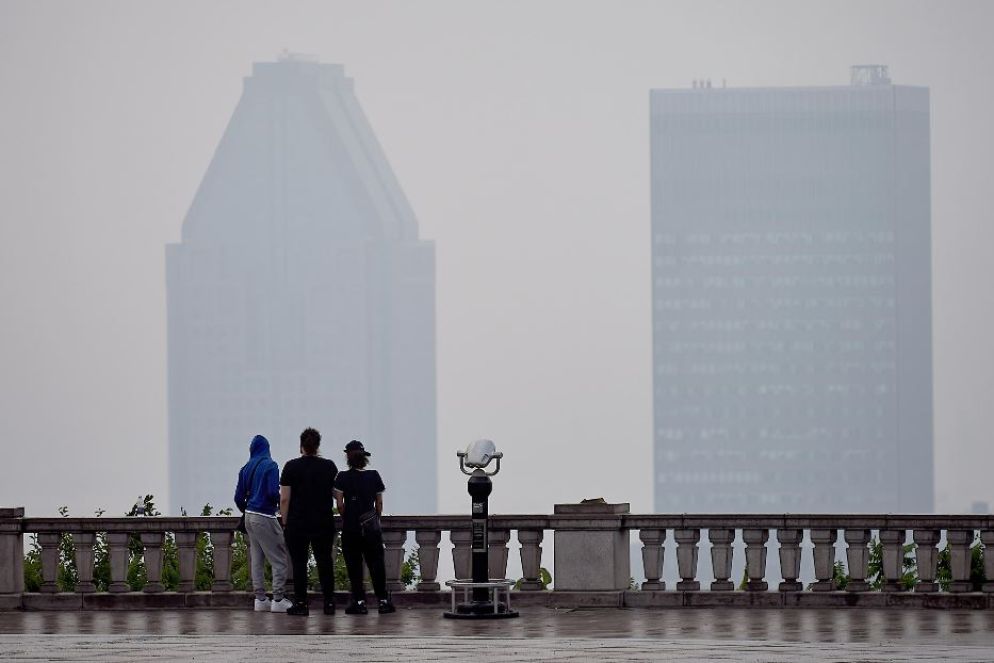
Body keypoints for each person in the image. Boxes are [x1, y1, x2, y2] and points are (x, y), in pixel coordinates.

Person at [279, 427, 338, 616]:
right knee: (325, 562)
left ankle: (302, 603)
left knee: (299, 564)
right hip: (323, 521)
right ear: (318, 446)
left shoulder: (290, 467)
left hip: (298, 522)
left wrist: (285, 522)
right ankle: (329, 603)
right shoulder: (329, 466)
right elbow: (337, 494)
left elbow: (285, 499)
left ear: (301, 446)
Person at [334, 440, 395, 615]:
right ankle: (383, 601)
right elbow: (379, 502)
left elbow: (339, 504)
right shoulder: (374, 475)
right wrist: (375, 518)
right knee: (376, 564)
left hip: (351, 528)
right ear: (364, 458)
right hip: (371, 528)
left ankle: (359, 602)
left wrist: (349, 517)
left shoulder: (342, 477)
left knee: (354, 566)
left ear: (348, 457)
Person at [234, 434, 292, 612]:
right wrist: (278, 506)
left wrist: (247, 507)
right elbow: (272, 492)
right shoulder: (271, 465)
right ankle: (278, 599)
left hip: (249, 516)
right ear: (267, 448)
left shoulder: (245, 468)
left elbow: (237, 497)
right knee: (279, 559)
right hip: (264, 515)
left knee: (256, 559)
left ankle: (260, 599)